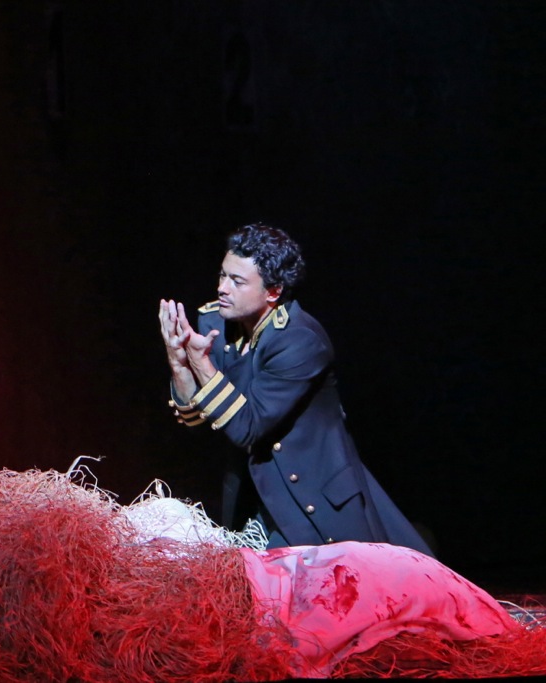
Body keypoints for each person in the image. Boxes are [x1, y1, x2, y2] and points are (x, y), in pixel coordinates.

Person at [158, 223, 431, 554]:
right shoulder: (215, 323)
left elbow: (247, 426)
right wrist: (178, 362)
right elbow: (195, 418)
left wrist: (200, 363)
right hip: (254, 500)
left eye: (237, 281)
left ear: (273, 292)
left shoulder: (299, 340)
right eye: (222, 275)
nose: (222, 288)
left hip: (314, 504)